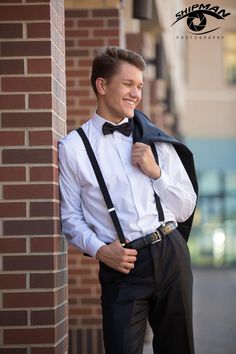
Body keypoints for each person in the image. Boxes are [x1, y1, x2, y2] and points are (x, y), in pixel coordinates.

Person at [59, 46, 197, 354]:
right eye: (128, 84)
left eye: (139, 86)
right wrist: (100, 251)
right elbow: (70, 217)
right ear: (102, 85)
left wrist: (155, 172)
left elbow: (186, 206)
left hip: (170, 253)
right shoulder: (74, 147)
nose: (136, 93)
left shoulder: (154, 138)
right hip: (121, 266)